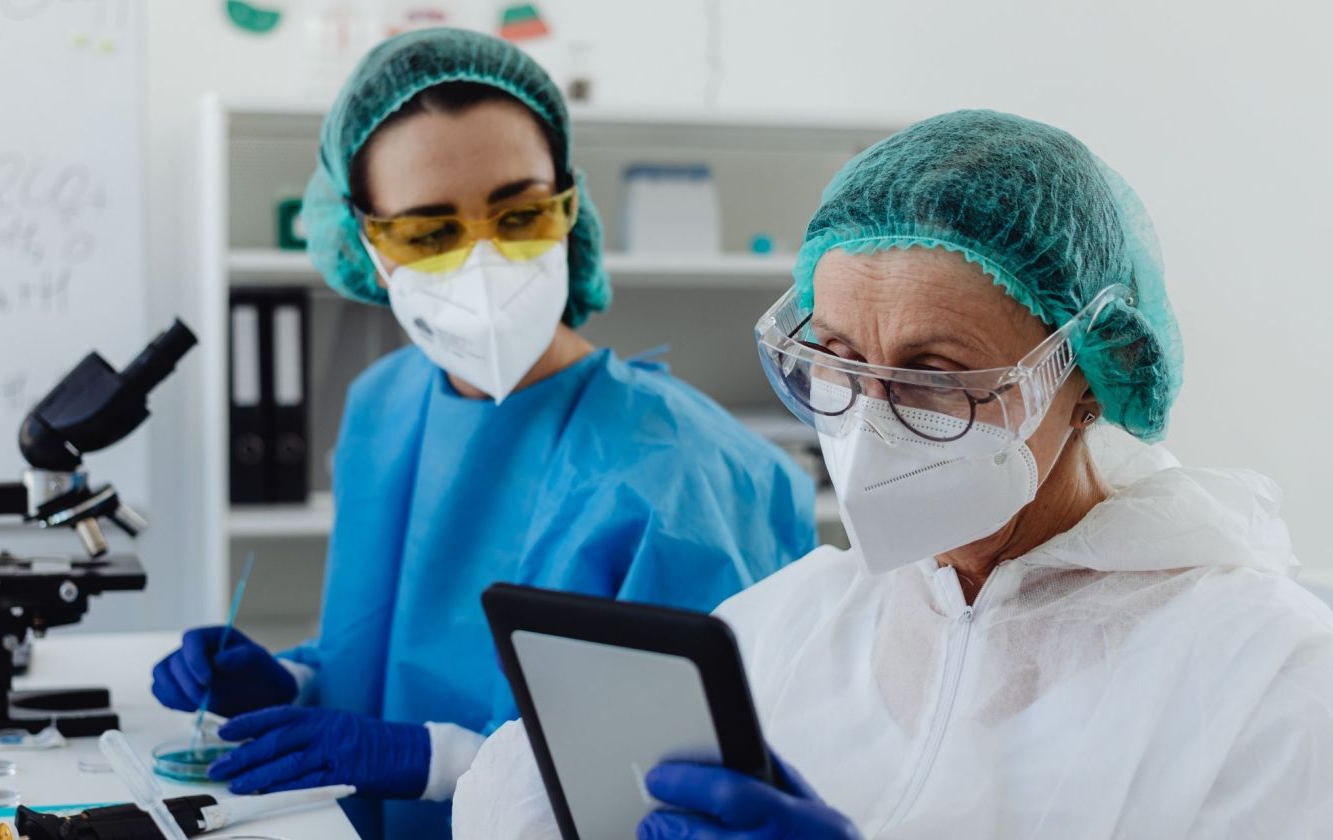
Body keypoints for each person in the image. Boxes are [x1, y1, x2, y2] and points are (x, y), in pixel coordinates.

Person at [453, 109, 1333, 839]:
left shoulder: (1263, 672)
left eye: (937, 378)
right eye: (835, 361)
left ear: (1091, 382)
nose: (871, 424)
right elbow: (512, 801)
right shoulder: (799, 620)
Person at [150, 28, 818, 840]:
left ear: (571, 207)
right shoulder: (385, 409)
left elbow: (678, 797)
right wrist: (291, 684)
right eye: (428, 233)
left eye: (522, 213)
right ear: (363, 242)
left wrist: (435, 762)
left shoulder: (688, 475)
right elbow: (395, 658)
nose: (484, 261)